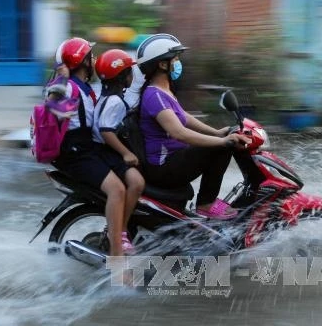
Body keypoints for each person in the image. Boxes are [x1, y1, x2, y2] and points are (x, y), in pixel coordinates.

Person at [136, 33, 251, 218]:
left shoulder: (163, 91)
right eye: (175, 58)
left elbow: (185, 117)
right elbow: (179, 132)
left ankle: (208, 202)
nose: (178, 62)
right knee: (220, 149)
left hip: (173, 159)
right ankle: (206, 203)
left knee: (219, 144)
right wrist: (223, 142)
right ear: (162, 64)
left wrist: (216, 133)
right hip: (164, 167)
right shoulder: (154, 95)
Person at [51, 38, 130, 256]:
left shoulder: (84, 88)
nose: (94, 60)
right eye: (90, 56)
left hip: (85, 149)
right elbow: (54, 108)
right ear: (83, 61)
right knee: (117, 189)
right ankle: (117, 255)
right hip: (76, 153)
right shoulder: (67, 87)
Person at [92, 49, 145, 252]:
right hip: (106, 152)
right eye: (130, 72)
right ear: (122, 76)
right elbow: (106, 131)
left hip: (104, 150)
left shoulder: (107, 96)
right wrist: (126, 153)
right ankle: (121, 230)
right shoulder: (114, 101)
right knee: (137, 183)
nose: (132, 76)